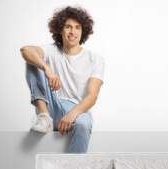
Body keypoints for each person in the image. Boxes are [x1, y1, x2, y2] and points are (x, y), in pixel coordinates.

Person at [20, 6, 105, 153]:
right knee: (32, 60)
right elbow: (26, 50)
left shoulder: (95, 59)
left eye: (77, 27)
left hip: (77, 108)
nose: (73, 32)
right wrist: (47, 70)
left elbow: (92, 96)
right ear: (60, 29)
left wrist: (72, 114)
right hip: (51, 103)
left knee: (84, 124)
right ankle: (44, 116)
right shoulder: (51, 51)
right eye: (68, 27)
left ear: (83, 31)